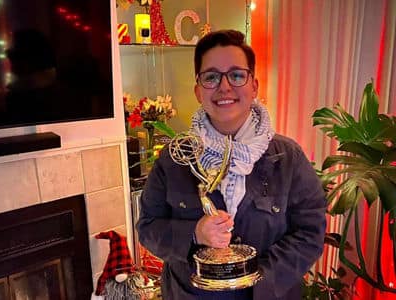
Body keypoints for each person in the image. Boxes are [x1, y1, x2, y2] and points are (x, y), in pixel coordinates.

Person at [136, 29, 327, 300]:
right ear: (198, 90)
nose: (224, 87)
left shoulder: (288, 158)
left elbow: (310, 232)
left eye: (237, 75)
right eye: (211, 77)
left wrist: (258, 279)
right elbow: (148, 227)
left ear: (254, 86)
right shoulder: (174, 158)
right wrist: (194, 233)